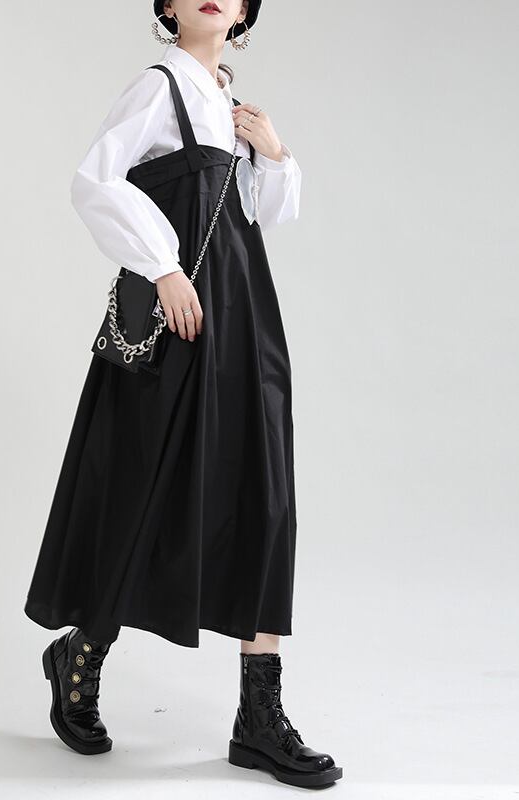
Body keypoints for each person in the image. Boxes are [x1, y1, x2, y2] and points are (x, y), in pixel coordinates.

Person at [24, 0, 342, 788]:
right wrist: (162, 266)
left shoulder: (231, 105)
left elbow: (264, 215)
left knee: (263, 496)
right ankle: (81, 655)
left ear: (245, 13)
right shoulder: (158, 87)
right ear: (166, 5)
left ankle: (259, 718)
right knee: (144, 488)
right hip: (183, 319)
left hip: (247, 320)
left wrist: (274, 152)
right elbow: (95, 181)